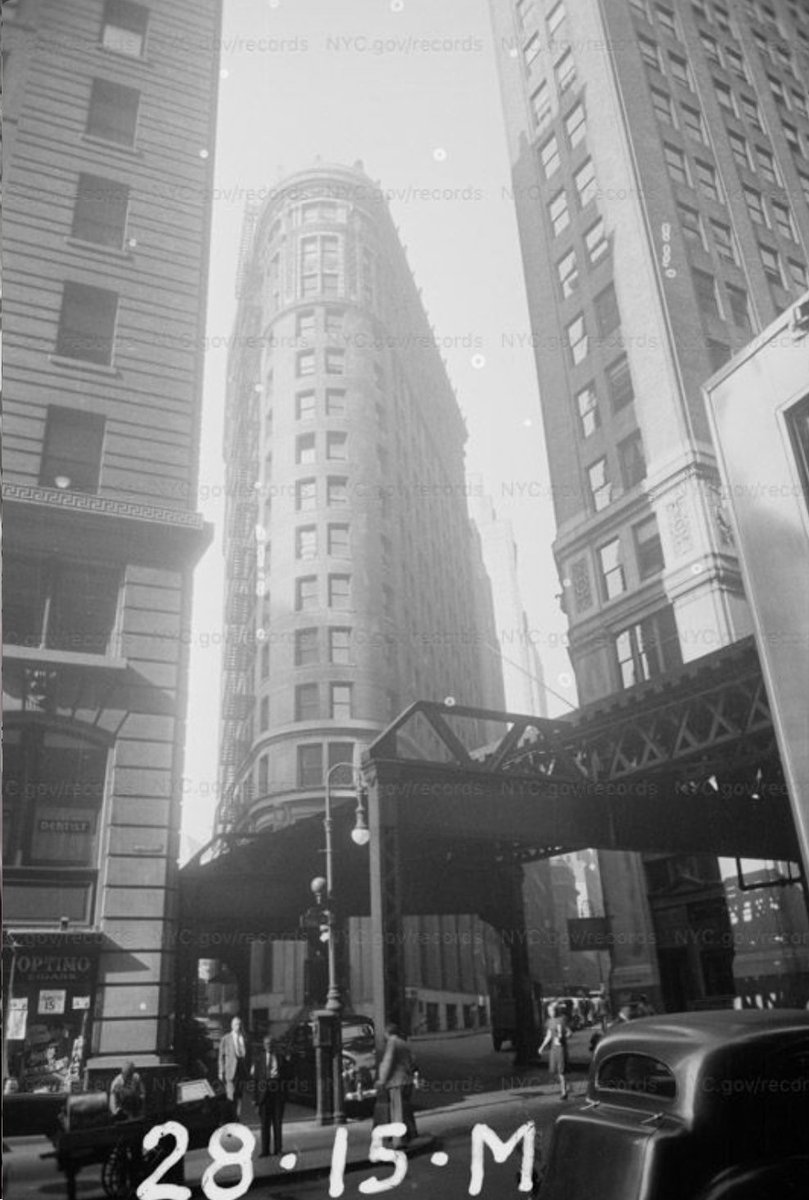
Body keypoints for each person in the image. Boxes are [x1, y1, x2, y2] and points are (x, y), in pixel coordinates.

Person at [376, 1023, 418, 1146]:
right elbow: (413, 1061)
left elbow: (388, 1062)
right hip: (407, 1081)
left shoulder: (392, 1043)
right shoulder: (404, 1043)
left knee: (397, 1112)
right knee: (406, 1111)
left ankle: (399, 1140)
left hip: (396, 1082)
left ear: (387, 1033)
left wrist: (382, 1080)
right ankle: (410, 1136)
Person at [252, 1035, 289, 1157]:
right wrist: (255, 1099)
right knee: (265, 1123)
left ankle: (278, 1149)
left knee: (277, 1122)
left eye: (271, 1043)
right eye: (267, 1043)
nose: (269, 1045)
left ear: (274, 1045)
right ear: (264, 1045)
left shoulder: (281, 1058)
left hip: (277, 1092)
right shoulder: (259, 1059)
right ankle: (265, 1150)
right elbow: (256, 1081)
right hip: (264, 1095)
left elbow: (288, 1075)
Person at [538, 1003, 571, 1100]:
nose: (550, 1013)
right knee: (557, 1070)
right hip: (554, 1048)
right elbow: (548, 1035)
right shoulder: (549, 1021)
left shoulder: (562, 1019)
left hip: (561, 1048)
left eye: (552, 1010)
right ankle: (566, 1086)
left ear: (556, 1010)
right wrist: (542, 1046)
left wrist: (562, 1038)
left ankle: (564, 1092)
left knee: (561, 1070)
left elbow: (569, 1032)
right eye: (549, 1011)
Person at [219, 1016, 249, 1117]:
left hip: (242, 1071)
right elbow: (221, 1056)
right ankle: (230, 1118)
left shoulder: (245, 1038)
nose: (238, 1026)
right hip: (230, 1071)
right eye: (236, 1024)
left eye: (240, 1024)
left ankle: (237, 1118)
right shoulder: (226, 1039)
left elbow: (249, 1055)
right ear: (232, 1026)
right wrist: (221, 1071)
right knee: (231, 1097)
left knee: (239, 1096)